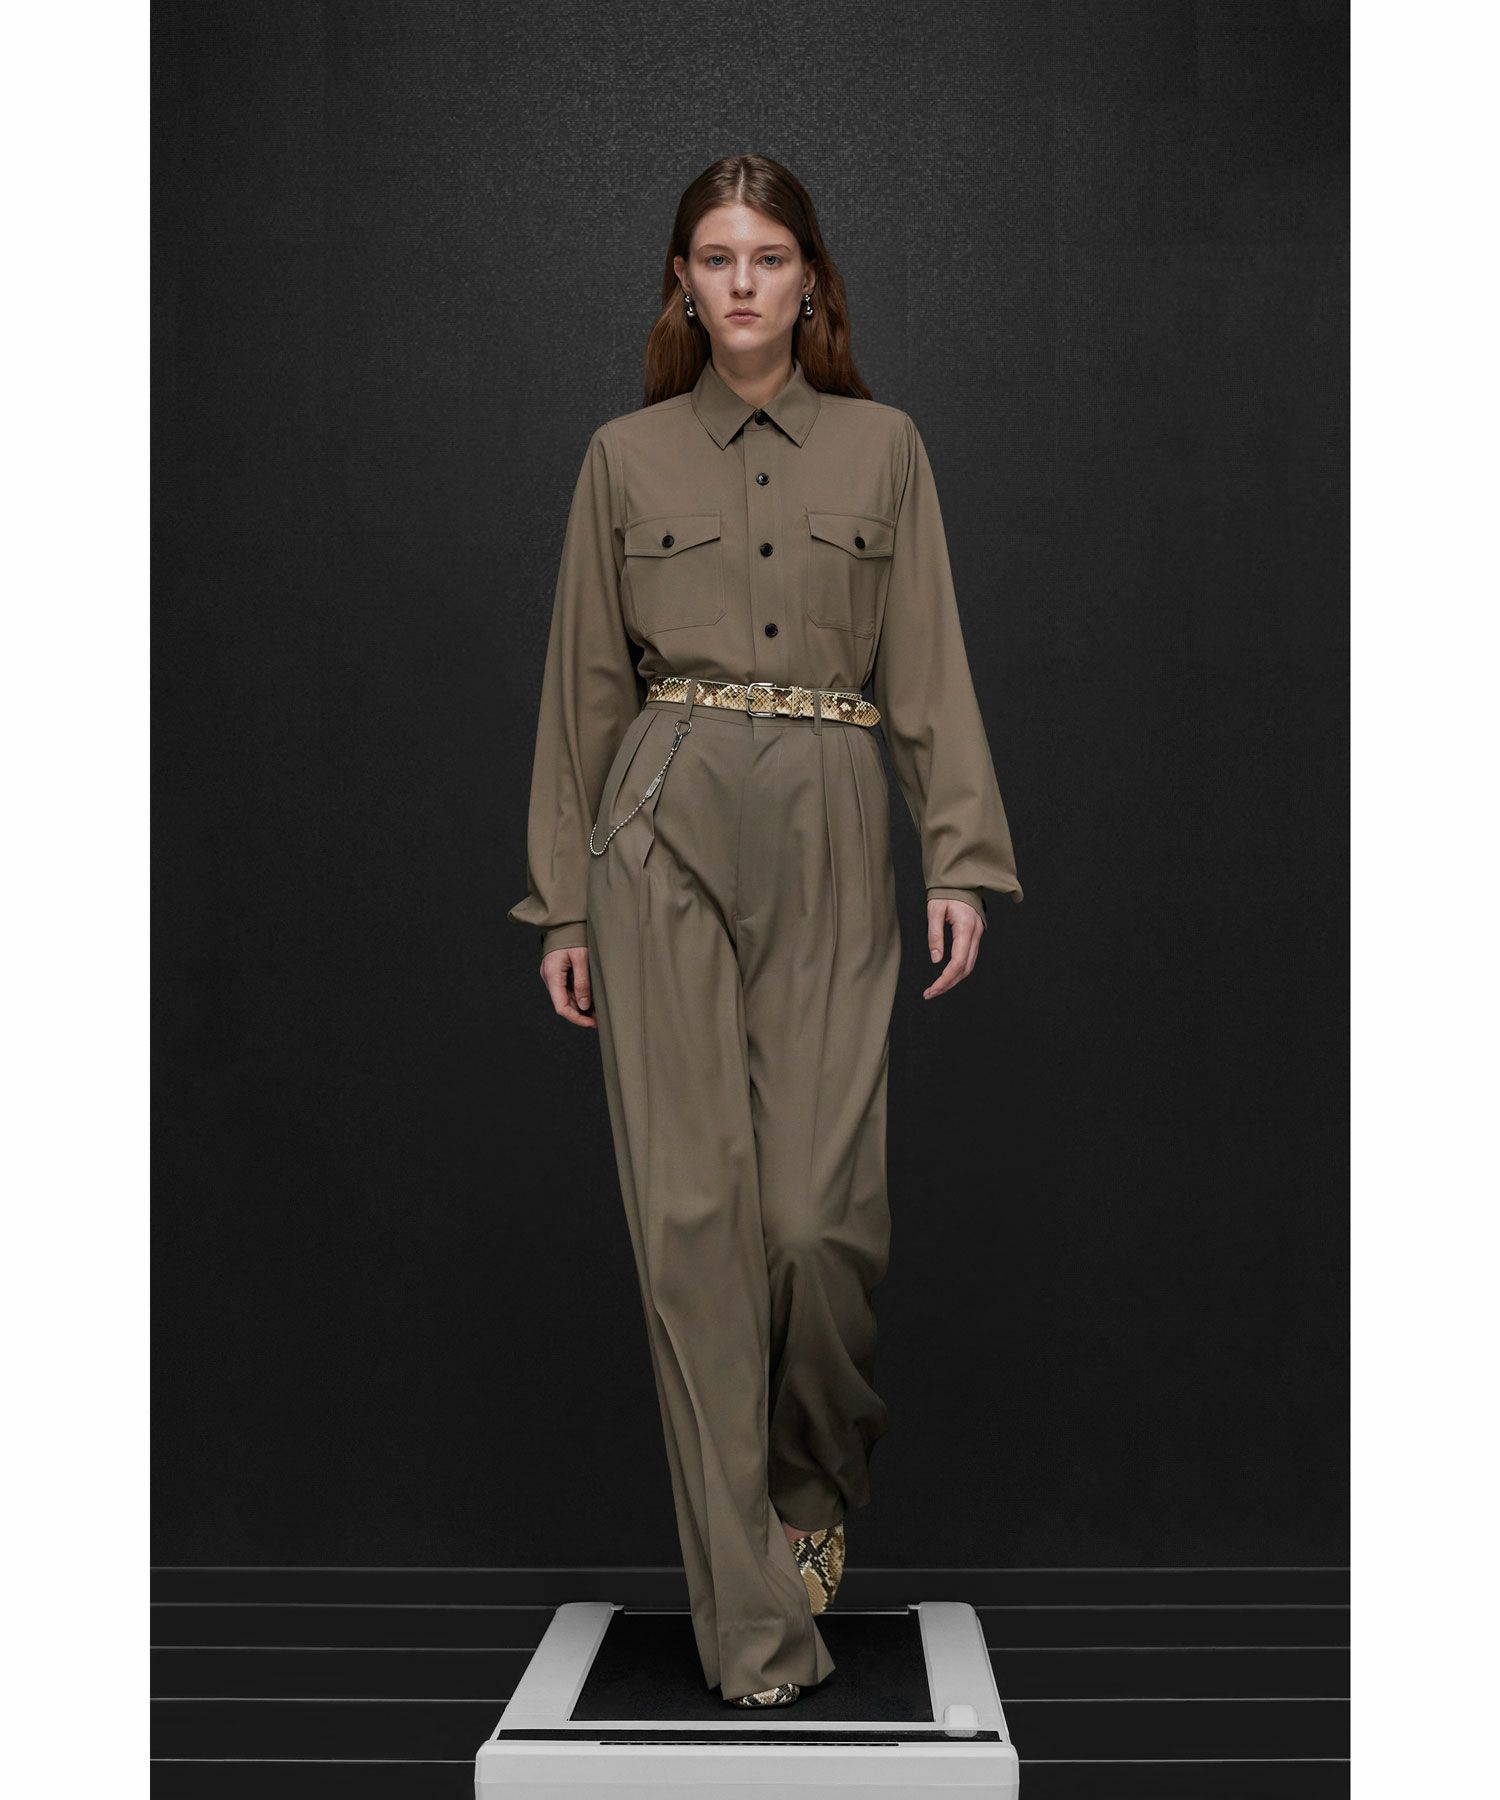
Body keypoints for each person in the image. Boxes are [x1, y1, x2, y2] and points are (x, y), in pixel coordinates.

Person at [507, 154, 1023, 1708]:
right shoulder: (622, 457)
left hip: (829, 813)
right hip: (658, 819)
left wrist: (958, 855)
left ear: (811, 282)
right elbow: (583, 688)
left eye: (770, 256)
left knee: (813, 1223)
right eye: (716, 256)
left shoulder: (885, 446)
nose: (742, 282)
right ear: (683, 279)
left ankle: (811, 1483)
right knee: (690, 1231)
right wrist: (565, 900)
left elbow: (926, 658)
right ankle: (752, 1625)